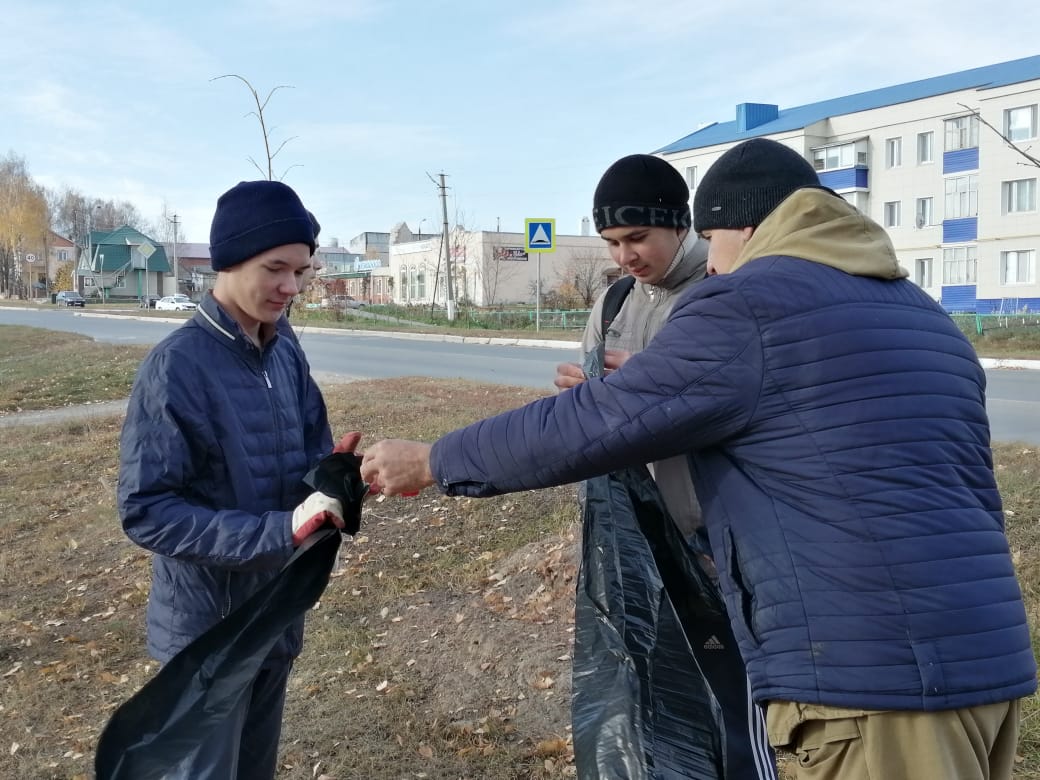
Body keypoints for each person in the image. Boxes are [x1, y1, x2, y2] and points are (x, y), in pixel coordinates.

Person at [360, 138, 1037, 780]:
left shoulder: (750, 303)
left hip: (873, 678)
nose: (711, 263)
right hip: (987, 660)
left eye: (712, 240)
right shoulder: (921, 314)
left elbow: (590, 424)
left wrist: (436, 458)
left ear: (743, 227)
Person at [117, 180, 355, 779]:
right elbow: (147, 510)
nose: (291, 287)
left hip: (275, 616)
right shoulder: (177, 367)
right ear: (229, 261)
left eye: (301, 271)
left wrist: (334, 478)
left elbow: (308, 452)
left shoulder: (285, 350)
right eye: (276, 269)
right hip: (209, 636)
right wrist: (280, 532)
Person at [557, 153, 776, 779]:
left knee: (733, 697)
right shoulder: (614, 302)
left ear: (681, 224)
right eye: (611, 241)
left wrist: (653, 392)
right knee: (654, 687)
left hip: (715, 533)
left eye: (637, 237)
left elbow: (742, 412)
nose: (624, 254)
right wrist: (584, 396)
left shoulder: (723, 292)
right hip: (637, 529)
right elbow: (596, 417)